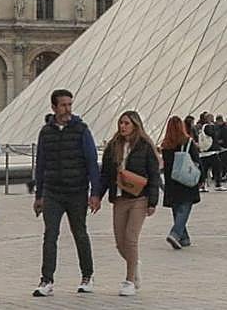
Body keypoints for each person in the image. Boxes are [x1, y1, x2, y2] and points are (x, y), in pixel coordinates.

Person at [32, 88, 102, 298]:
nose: (68, 109)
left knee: (80, 233)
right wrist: (39, 195)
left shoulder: (81, 130)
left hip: (76, 191)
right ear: (54, 107)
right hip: (52, 191)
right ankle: (46, 280)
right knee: (50, 235)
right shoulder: (46, 132)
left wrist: (95, 193)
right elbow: (41, 164)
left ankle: (87, 276)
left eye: (69, 104)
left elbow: (91, 162)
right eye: (63, 105)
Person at [97, 110, 160, 295]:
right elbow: (105, 175)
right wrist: (97, 196)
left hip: (139, 198)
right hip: (119, 198)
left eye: (126, 123)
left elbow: (154, 175)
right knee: (120, 242)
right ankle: (135, 263)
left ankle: (129, 280)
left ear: (135, 125)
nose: (122, 126)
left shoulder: (145, 146)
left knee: (131, 238)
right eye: (121, 123)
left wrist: (153, 202)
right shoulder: (113, 146)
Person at [160, 115, 201, 250]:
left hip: (172, 181)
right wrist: (200, 178)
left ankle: (184, 238)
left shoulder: (166, 145)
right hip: (186, 179)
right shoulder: (188, 142)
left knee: (177, 209)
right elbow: (197, 161)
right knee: (184, 208)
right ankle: (176, 233)